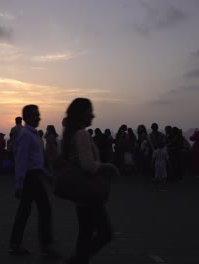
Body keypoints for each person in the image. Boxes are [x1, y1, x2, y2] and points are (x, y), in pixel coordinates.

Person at [61, 98, 118, 264]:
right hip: (88, 191)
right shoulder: (82, 134)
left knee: (85, 232)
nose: (93, 115)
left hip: (81, 192)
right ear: (82, 115)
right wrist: (109, 167)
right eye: (90, 112)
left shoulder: (71, 135)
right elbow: (88, 165)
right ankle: (75, 261)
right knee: (105, 233)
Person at [8, 105, 58, 257]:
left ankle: (16, 244)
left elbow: (34, 160)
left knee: (26, 211)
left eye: (38, 115)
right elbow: (21, 161)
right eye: (36, 115)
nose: (39, 117)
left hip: (35, 175)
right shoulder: (26, 136)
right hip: (31, 178)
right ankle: (45, 246)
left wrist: (46, 174)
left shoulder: (33, 135)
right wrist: (19, 184)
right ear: (27, 118)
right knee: (43, 209)